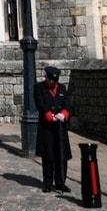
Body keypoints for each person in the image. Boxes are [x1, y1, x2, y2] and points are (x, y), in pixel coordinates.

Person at [35, 65, 71, 193]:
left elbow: (67, 103)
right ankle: (48, 182)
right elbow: (40, 104)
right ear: (47, 78)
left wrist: (64, 114)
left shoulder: (62, 88)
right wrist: (50, 116)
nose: (53, 84)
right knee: (48, 155)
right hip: (47, 127)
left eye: (55, 81)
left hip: (60, 127)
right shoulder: (39, 88)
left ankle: (61, 182)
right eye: (51, 81)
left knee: (62, 155)